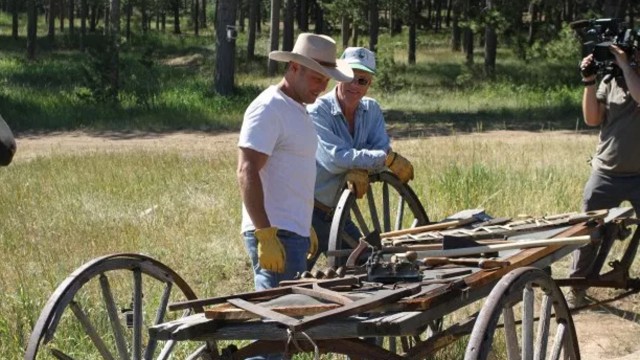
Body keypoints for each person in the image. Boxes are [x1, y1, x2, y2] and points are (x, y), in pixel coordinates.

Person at [237, 32, 353, 300]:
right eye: (316, 78)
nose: (321, 87)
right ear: (294, 68)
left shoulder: (297, 109)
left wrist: (304, 223)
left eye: (325, 80)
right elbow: (247, 169)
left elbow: (291, 172)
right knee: (279, 321)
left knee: (291, 322)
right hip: (276, 233)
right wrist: (265, 233)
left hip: (293, 232)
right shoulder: (268, 108)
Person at [306, 47, 414, 270]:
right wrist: (385, 159)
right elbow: (335, 159)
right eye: (350, 77)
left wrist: (362, 167)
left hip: (338, 215)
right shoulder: (318, 111)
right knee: (291, 284)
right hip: (305, 214)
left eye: (362, 80)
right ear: (338, 76)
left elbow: (380, 148)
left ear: (370, 83)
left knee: (368, 269)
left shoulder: (371, 109)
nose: (355, 85)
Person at [569, 45, 640, 308]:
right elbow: (592, 118)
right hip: (606, 173)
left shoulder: (629, 76)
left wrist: (625, 66)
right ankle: (577, 286)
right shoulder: (610, 80)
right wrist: (589, 81)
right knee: (588, 231)